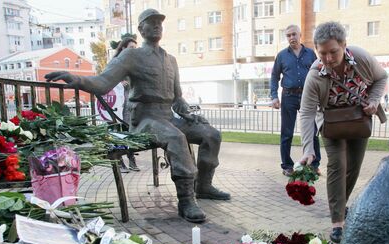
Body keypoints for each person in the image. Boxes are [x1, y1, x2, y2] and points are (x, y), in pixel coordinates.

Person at [45, 8, 230, 223]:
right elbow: (103, 83)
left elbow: (178, 99)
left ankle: (204, 187)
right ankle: (186, 200)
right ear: (141, 29)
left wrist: (189, 115)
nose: (156, 25)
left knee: (211, 134)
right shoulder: (131, 56)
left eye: (159, 22)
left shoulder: (171, 60)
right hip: (145, 120)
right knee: (175, 137)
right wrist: (76, 79)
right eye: (151, 22)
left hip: (168, 118)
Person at [299, 21, 387, 243]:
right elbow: (307, 114)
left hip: (359, 120)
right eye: (322, 53)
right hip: (331, 124)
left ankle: (340, 205)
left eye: (333, 52)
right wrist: (308, 149)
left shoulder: (361, 58)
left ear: (344, 45)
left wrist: (375, 100)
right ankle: (337, 221)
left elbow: (381, 78)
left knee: (354, 167)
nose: (328, 58)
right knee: (338, 165)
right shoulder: (315, 75)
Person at [271, 25, 321, 177]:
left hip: (308, 96)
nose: (291, 37)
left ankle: (314, 164)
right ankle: (287, 166)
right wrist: (274, 96)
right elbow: (274, 77)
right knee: (287, 133)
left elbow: (319, 73)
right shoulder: (281, 56)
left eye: (294, 34)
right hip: (288, 96)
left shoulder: (311, 54)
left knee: (312, 130)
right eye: (288, 35)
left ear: (300, 35)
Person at [113, 37, 139, 173]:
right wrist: (118, 83)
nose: (134, 50)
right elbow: (106, 81)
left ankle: (132, 161)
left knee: (130, 134)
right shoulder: (116, 63)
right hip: (117, 107)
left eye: (136, 48)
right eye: (131, 48)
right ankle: (119, 162)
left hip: (129, 106)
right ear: (123, 48)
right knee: (119, 134)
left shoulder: (135, 64)